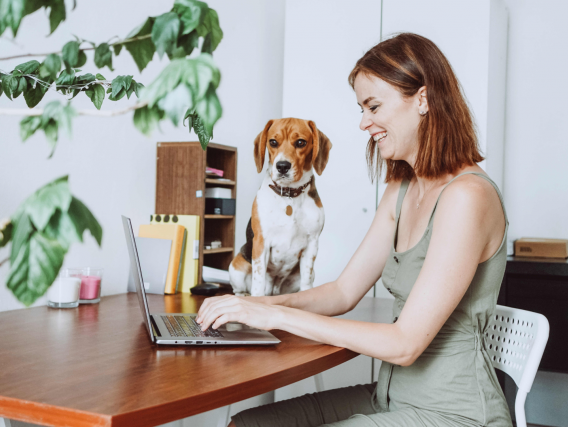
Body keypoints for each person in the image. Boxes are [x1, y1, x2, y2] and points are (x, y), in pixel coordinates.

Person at [196, 32, 512, 427]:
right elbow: (343, 292)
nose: (364, 123)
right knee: (245, 424)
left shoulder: (467, 197)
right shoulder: (401, 189)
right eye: (362, 108)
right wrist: (252, 307)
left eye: (373, 106)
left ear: (424, 99)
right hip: (389, 398)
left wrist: (276, 318)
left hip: (455, 413)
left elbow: (405, 344)